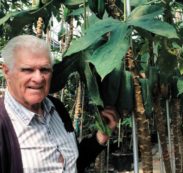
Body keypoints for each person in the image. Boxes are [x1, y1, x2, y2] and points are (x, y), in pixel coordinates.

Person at [0, 35, 118, 173]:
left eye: (44, 69)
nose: (38, 78)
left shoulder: (57, 108)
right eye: (28, 70)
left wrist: (100, 137)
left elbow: (73, 164)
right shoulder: (3, 124)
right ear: (6, 71)